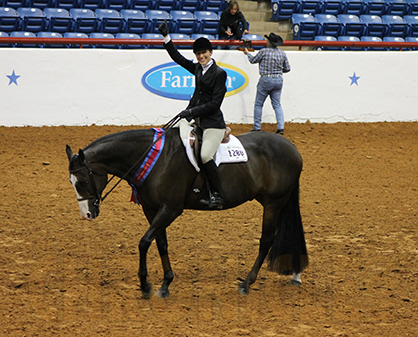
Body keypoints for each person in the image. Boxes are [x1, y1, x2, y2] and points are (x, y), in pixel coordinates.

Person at [157, 22, 227, 209]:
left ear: (210, 53)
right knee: (171, 136)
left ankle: (218, 195)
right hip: (196, 120)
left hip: (213, 124)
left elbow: (214, 104)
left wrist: (191, 112)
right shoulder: (197, 69)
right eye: (198, 54)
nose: (201, 56)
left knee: (205, 156)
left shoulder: (219, 74)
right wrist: (167, 38)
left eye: (204, 53)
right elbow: (178, 58)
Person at [243, 32, 290, 135]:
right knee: (277, 105)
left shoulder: (264, 52)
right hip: (278, 79)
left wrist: (247, 53)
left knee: (259, 104)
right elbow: (287, 68)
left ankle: (257, 127)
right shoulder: (282, 54)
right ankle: (281, 127)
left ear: (269, 42)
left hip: (265, 79)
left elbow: (253, 60)